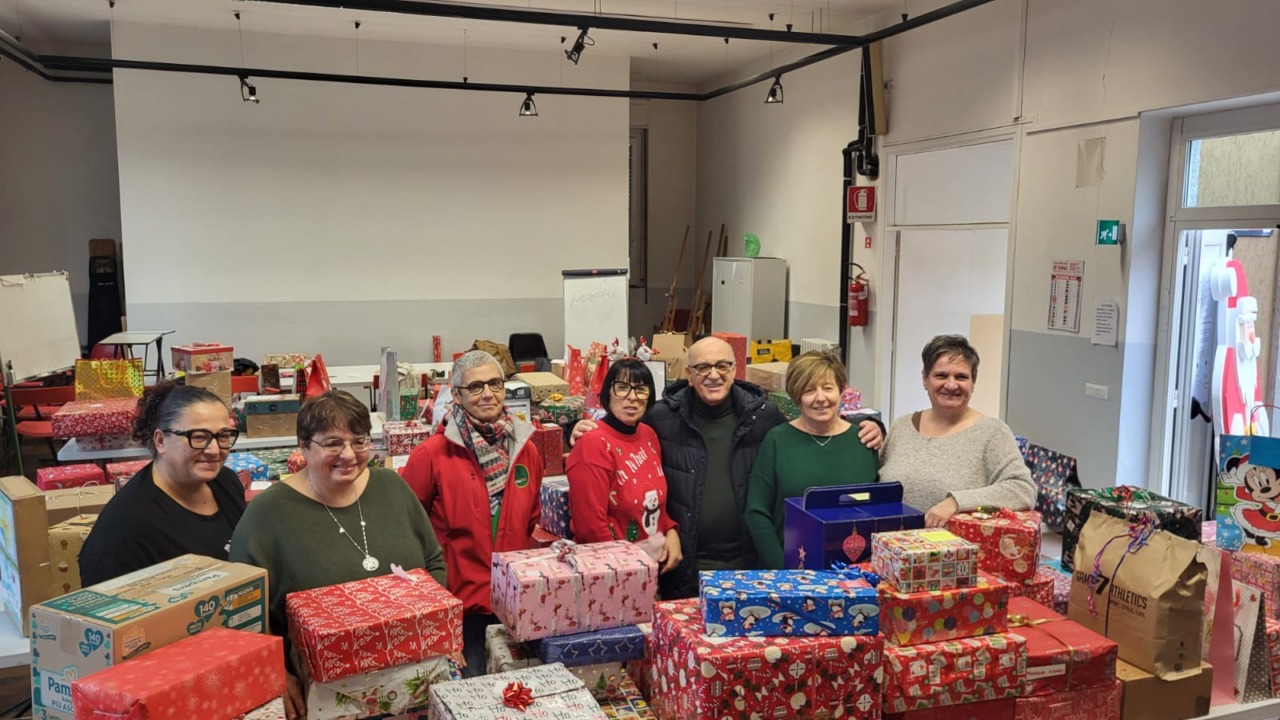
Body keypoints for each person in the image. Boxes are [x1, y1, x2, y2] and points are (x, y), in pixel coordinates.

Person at [573, 336, 884, 599]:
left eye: (722, 366)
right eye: (703, 367)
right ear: (689, 374)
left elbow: (811, 426)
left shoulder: (764, 417)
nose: (714, 375)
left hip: (748, 564)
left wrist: (872, 426)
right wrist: (575, 429)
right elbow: (622, 427)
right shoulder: (662, 418)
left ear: (735, 370)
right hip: (684, 567)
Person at [230, 390, 446, 720]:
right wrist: (275, 672)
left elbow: (433, 563)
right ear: (303, 446)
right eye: (332, 443)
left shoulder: (392, 488)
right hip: (326, 696)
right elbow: (243, 613)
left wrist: (440, 631)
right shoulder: (266, 515)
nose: (348, 454)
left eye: (359, 441)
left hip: (413, 681)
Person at [400, 350, 543, 677]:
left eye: (495, 383)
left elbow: (530, 518)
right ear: (457, 395)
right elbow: (408, 531)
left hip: (510, 603)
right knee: (470, 694)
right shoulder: (432, 455)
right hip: (457, 606)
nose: (488, 394)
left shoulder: (526, 449)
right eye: (475, 387)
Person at [80, 382, 245, 586]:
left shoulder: (224, 481)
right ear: (160, 441)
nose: (214, 449)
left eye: (223, 436)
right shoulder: (123, 532)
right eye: (199, 437)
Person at [878, 334, 1036, 527]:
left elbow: (1023, 490)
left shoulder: (992, 432)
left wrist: (956, 502)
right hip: (890, 550)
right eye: (941, 375)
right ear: (925, 379)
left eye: (961, 377)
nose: (951, 385)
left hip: (954, 554)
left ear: (973, 383)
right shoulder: (901, 426)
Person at [744, 352, 879, 569]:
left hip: (857, 572)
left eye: (827, 388)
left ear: (841, 391)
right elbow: (756, 512)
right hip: (789, 572)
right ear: (797, 396)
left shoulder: (863, 441)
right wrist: (782, 568)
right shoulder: (777, 440)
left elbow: (878, 509)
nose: (820, 398)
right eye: (809, 390)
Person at [566, 358, 681, 572]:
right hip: (611, 573)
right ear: (607, 393)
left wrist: (671, 530)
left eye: (640, 389)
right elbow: (590, 528)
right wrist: (627, 573)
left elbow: (655, 502)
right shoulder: (592, 444)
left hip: (651, 567)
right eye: (622, 388)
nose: (632, 397)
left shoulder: (648, 435)